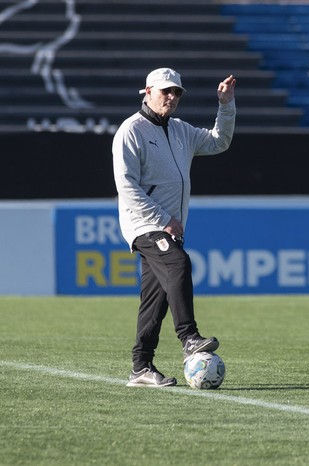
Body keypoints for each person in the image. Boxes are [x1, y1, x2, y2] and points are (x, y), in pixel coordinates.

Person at [112, 68, 236, 387]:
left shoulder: (180, 130)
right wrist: (163, 218)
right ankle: (189, 337)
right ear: (147, 91)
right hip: (145, 225)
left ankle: (141, 367)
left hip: (168, 227)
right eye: (166, 90)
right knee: (179, 263)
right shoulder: (131, 130)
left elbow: (219, 142)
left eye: (177, 92)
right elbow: (126, 185)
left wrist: (225, 105)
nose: (171, 96)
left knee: (155, 299)